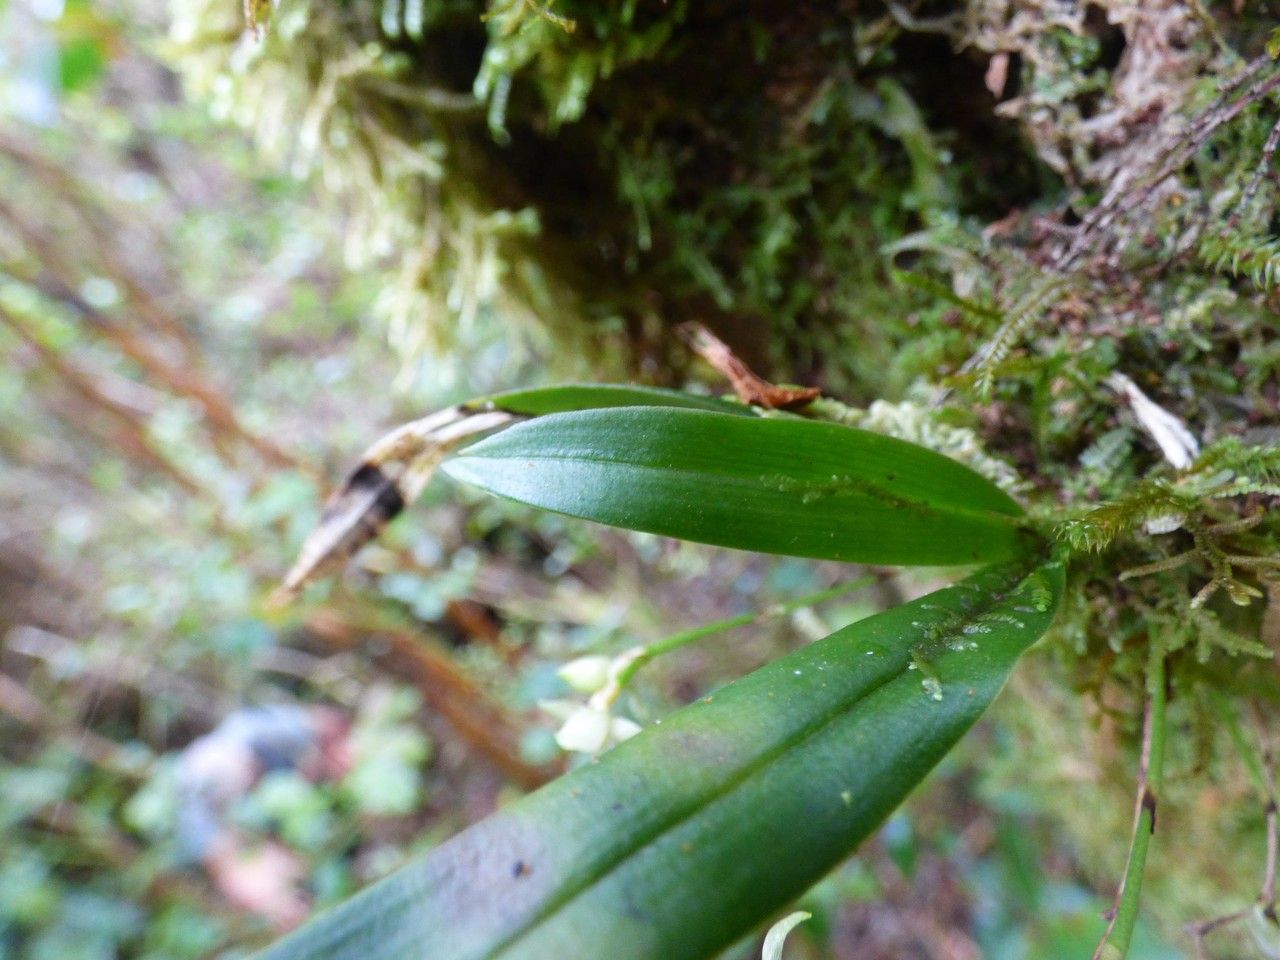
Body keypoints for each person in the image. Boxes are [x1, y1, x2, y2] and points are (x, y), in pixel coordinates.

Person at [175, 703, 353, 929]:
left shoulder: (258, 731)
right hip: (278, 838)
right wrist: (272, 899)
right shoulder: (199, 811)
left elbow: (326, 724)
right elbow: (228, 869)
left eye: (249, 773)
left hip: (317, 795)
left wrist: (328, 760)